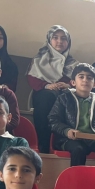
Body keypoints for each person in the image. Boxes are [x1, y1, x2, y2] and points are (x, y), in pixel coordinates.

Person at [48, 63, 95, 167]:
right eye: (81, 77)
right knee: (78, 150)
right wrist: (67, 131)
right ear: (73, 82)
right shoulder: (64, 98)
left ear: (94, 84)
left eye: (89, 78)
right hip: (69, 139)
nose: (85, 80)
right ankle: (76, 177)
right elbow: (53, 120)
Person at [27, 25, 78, 153]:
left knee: (65, 99)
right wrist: (47, 86)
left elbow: (78, 82)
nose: (59, 41)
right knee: (48, 96)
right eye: (55, 37)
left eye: (63, 38)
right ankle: (43, 145)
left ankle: (62, 143)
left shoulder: (73, 64)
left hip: (65, 95)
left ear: (68, 42)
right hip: (44, 95)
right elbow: (32, 79)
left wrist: (69, 85)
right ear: (49, 40)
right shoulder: (39, 60)